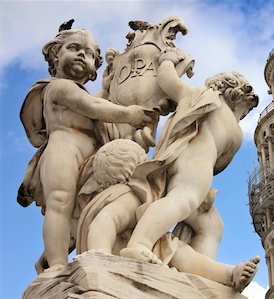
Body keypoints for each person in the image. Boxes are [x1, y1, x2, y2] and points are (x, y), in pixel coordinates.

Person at [18, 25, 154, 273]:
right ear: (56, 55)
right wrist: (129, 114)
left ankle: (50, 260)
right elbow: (92, 107)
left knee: (76, 211)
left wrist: (108, 85)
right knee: (60, 204)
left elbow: (96, 102)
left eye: (90, 53)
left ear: (94, 68)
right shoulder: (58, 87)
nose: (82, 54)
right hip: (63, 150)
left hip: (88, 155)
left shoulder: (78, 90)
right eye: (74, 48)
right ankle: (57, 267)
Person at [119, 48, 259, 265]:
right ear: (237, 95)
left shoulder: (198, 97)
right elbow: (220, 164)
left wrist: (168, 60)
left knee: (211, 224)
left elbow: (168, 80)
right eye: (245, 110)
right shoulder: (235, 131)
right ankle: (140, 243)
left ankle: (202, 272)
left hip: (178, 157)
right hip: (199, 165)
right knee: (183, 200)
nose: (244, 115)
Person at [76, 139, 259, 292]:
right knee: (183, 254)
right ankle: (227, 274)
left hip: (148, 251)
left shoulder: (133, 198)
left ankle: (229, 274)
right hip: (122, 254)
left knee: (180, 251)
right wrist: (100, 254)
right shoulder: (128, 196)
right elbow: (106, 220)